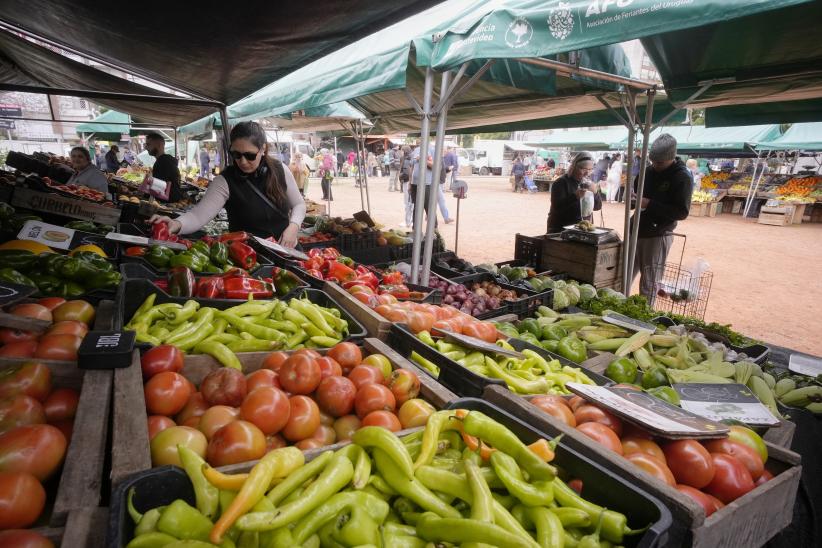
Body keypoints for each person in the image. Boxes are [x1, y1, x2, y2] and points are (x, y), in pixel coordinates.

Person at [148, 121, 305, 246]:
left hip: (286, 251)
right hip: (249, 258)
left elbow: (299, 204)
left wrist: (293, 227)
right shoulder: (225, 181)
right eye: (236, 154)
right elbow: (198, 215)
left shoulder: (280, 170)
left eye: (250, 155)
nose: (242, 161)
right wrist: (176, 223)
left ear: (263, 149)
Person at [630, 134, 693, 300]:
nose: (655, 166)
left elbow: (681, 212)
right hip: (636, 230)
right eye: (653, 161)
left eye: (660, 163)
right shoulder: (648, 172)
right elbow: (637, 196)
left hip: (658, 235)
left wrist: (649, 204)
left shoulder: (682, 177)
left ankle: (643, 318)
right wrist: (633, 201)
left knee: (649, 283)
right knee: (624, 275)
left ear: (671, 157)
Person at [546, 152, 594, 233]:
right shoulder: (561, 182)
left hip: (582, 228)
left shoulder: (587, 183)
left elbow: (597, 206)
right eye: (584, 169)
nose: (587, 173)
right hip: (560, 230)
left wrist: (595, 193)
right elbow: (557, 207)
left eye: (590, 170)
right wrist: (575, 196)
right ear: (574, 167)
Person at [145, 132, 182, 202]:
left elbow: (158, 189)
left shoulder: (162, 162)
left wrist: (144, 193)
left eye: (148, 144)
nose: (146, 147)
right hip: (171, 200)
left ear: (159, 145)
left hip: (167, 203)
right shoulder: (165, 160)